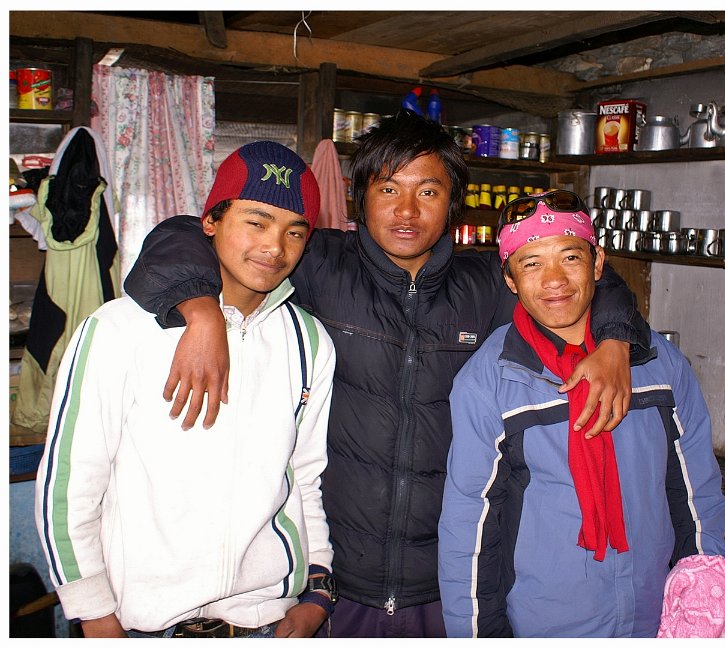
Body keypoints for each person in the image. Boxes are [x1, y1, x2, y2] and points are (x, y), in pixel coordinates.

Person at [121, 110, 648, 637]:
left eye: (428, 192)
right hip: (328, 581)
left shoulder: (487, 284)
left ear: (453, 203)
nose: (407, 211)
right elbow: (182, 235)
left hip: (445, 577)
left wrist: (614, 341)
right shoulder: (317, 262)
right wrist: (202, 311)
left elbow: (582, 276)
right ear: (360, 198)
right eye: (388, 189)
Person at [34, 141, 338, 638]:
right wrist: (93, 611)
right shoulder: (119, 329)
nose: (275, 247)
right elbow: (70, 484)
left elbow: (304, 477)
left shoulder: (309, 341)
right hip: (143, 625)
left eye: (294, 231)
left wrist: (317, 590)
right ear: (211, 222)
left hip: (265, 620)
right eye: (256, 222)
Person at [437, 190, 725, 637]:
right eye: (531, 263)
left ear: (597, 263)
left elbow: (696, 493)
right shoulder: (491, 381)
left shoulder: (658, 365)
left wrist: (704, 593)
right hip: (543, 626)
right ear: (510, 280)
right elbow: (468, 531)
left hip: (655, 617)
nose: (554, 280)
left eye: (570, 257)